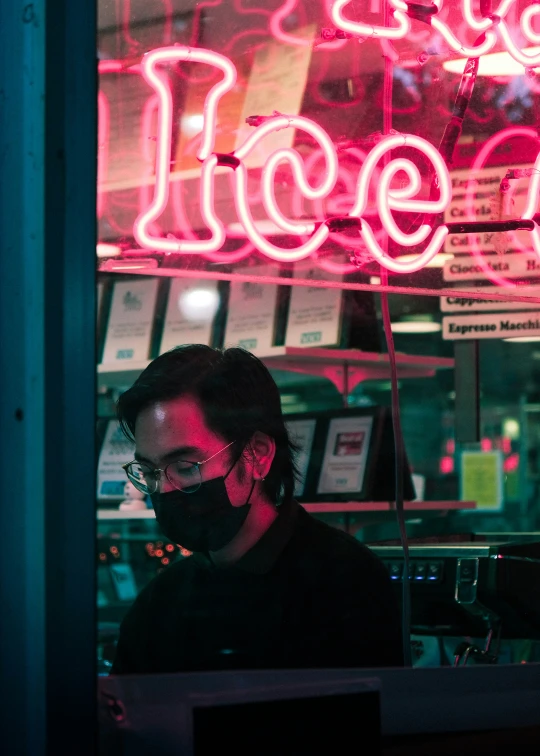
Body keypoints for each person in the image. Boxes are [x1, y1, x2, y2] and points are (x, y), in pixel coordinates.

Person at [111, 345, 404, 674]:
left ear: (257, 455)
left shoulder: (346, 584)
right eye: (149, 472)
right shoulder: (159, 604)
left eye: (185, 465)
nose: (164, 489)